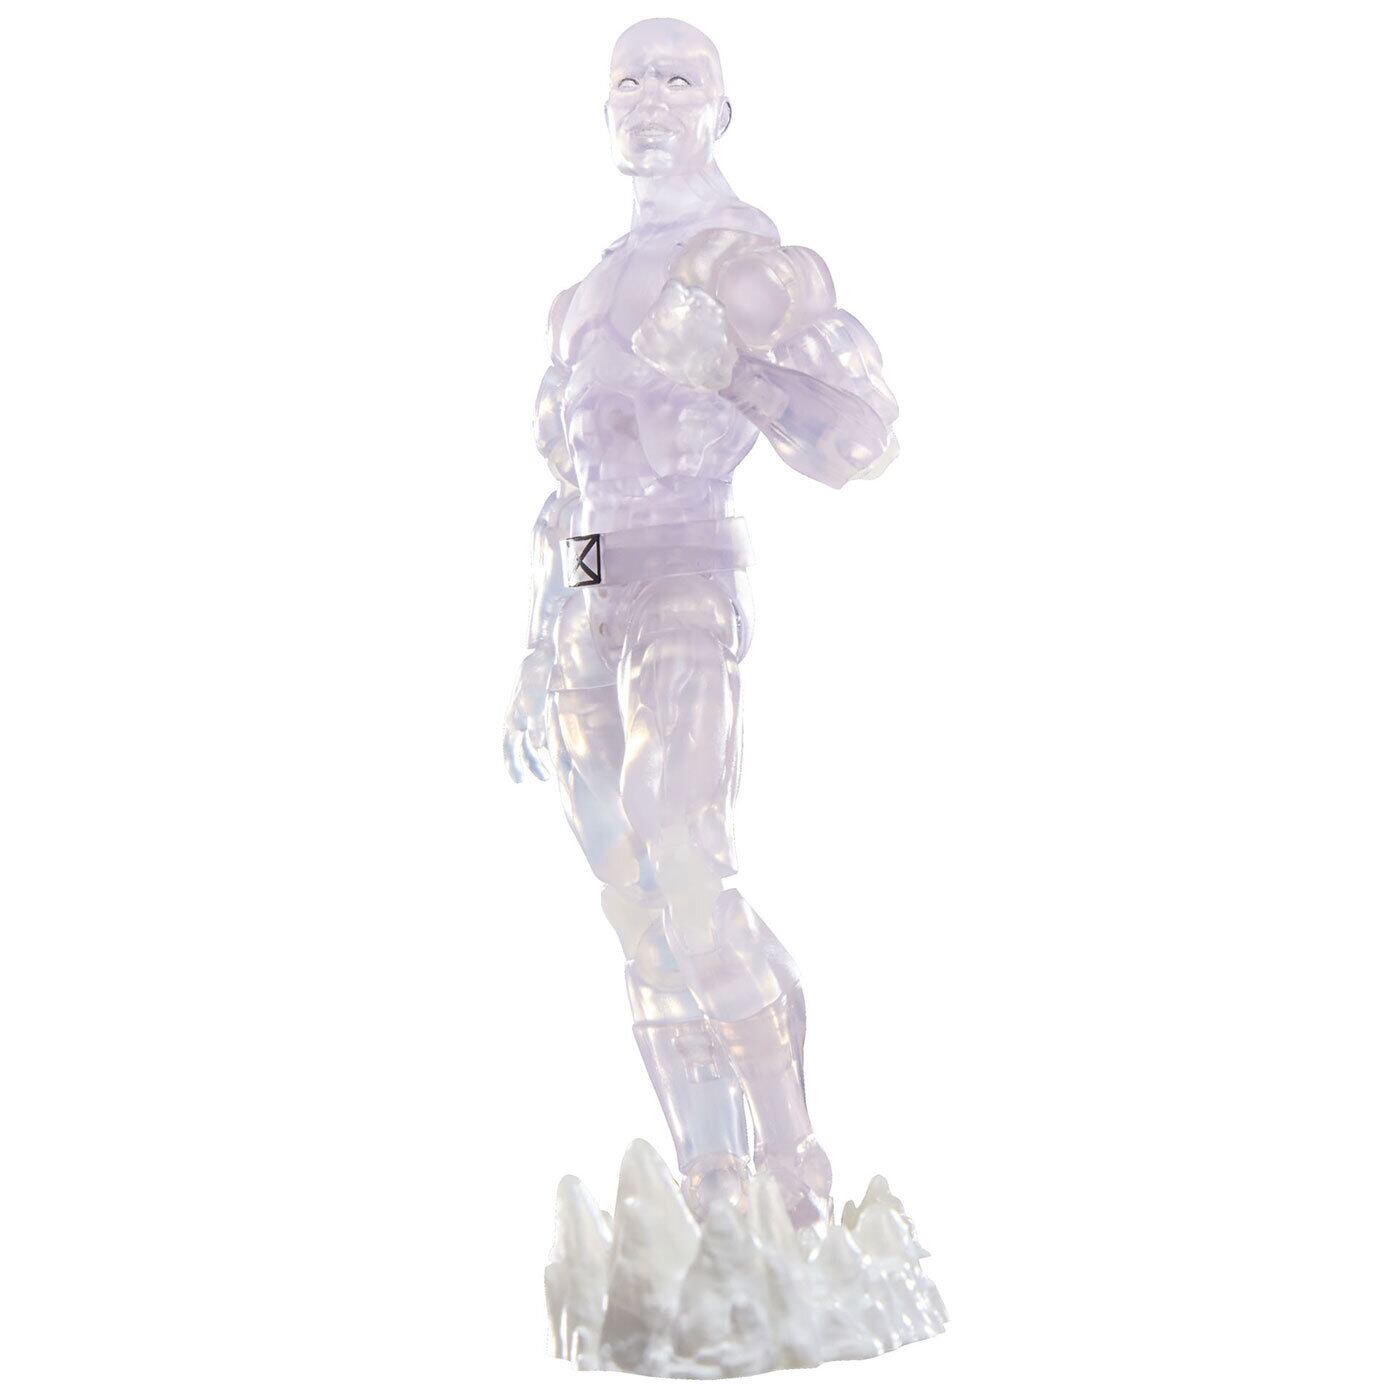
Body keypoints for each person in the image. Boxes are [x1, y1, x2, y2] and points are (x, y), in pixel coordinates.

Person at [503, 18, 898, 1226]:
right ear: (602, 109)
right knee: (634, 905)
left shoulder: (745, 262)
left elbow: (863, 436)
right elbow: (574, 494)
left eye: (678, 79)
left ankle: (794, 1161)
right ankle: (711, 1184)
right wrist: (540, 640)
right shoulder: (578, 301)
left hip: (684, 585)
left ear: (720, 110)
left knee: (685, 867)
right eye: (628, 78)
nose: (648, 98)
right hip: (592, 615)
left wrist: (730, 369)